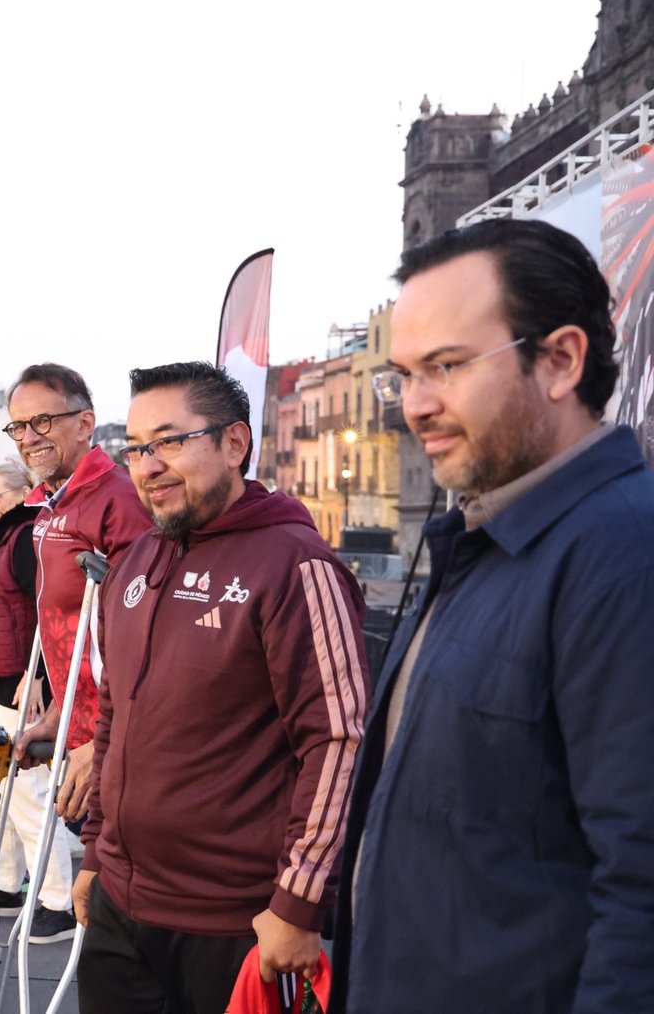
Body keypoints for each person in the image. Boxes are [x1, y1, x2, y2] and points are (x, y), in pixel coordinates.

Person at [334, 219, 654, 1011]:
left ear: (561, 360)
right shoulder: (483, 537)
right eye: (404, 376)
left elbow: (641, 891)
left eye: (445, 366)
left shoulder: (624, 553)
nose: (416, 406)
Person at [73, 362, 368, 1013]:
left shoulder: (295, 564)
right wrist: (95, 852)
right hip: (121, 906)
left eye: (170, 442)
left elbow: (339, 740)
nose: (148, 466)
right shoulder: (134, 562)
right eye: (136, 448)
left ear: (235, 443)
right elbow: (114, 718)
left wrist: (298, 903)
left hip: (237, 922)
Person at [7, 363, 153, 823]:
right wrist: (56, 716)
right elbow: (72, 630)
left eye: (42, 421)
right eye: (18, 426)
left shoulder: (118, 500)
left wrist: (104, 739)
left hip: (122, 741)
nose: (29, 437)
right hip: (82, 729)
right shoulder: (48, 506)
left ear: (85, 423)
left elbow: (146, 639)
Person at [0, 456, 76, 941]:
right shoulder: (13, 536)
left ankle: (57, 902)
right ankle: (7, 883)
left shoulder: (29, 535)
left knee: (28, 797)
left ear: (23, 492)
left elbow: (47, 607)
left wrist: (38, 674)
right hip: (1, 679)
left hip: (19, 681)